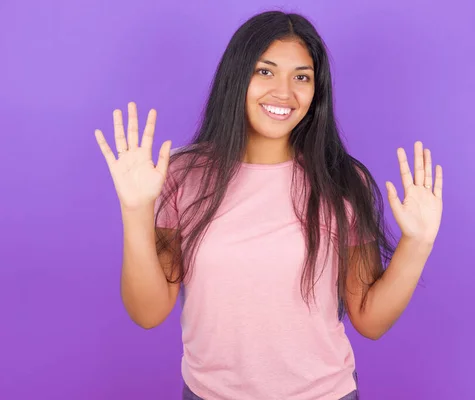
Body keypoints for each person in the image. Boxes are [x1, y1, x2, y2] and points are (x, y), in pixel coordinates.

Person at [94, 10, 443, 400]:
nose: (284, 92)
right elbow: (148, 312)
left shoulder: (341, 180)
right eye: (265, 71)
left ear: (316, 90)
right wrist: (135, 210)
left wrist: (418, 243)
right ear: (237, 76)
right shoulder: (182, 174)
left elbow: (370, 320)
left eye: (301, 77)